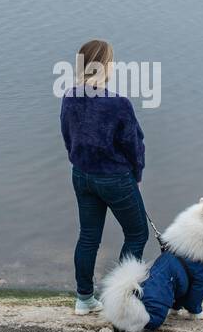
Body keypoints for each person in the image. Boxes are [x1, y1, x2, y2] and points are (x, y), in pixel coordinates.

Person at [59, 39, 148, 314]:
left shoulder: (69, 97)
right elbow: (134, 144)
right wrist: (137, 174)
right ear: (104, 66)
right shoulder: (118, 103)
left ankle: (84, 299)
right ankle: (120, 302)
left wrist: (79, 161)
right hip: (115, 178)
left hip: (82, 175)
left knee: (88, 237)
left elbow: (67, 136)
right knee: (137, 234)